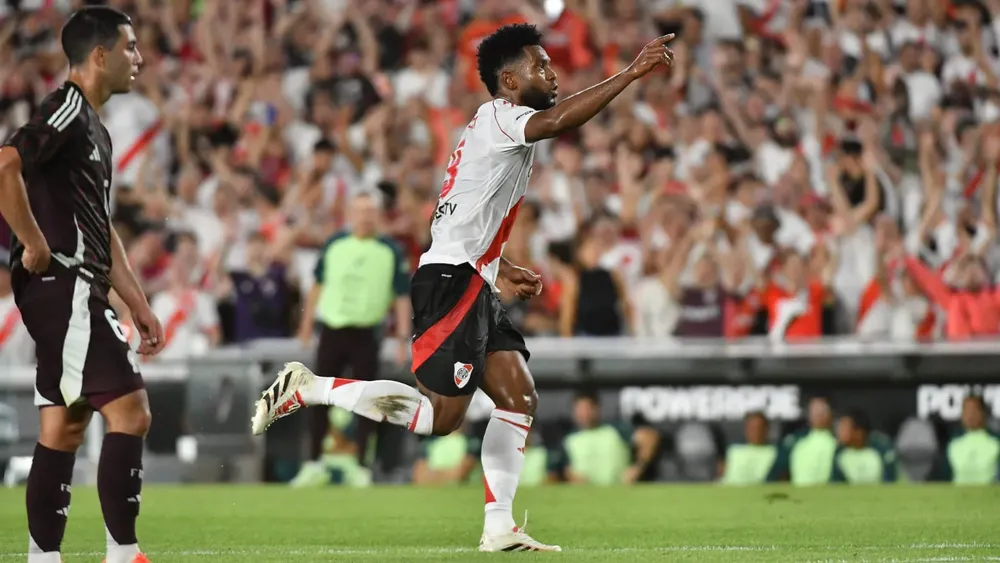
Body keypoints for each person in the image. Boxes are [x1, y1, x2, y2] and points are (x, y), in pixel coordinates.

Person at [251, 23, 675, 552]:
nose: (553, 72)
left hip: (470, 276)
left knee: (518, 396)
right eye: (540, 66)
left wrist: (499, 266)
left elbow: (458, 216)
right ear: (508, 80)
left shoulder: (494, 125)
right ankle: (308, 388)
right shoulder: (503, 116)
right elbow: (559, 121)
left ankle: (499, 527)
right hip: (453, 282)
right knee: (439, 418)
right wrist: (631, 72)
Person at [0, 7, 163, 563]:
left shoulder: (97, 129)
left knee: (65, 426)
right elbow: (4, 163)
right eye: (131, 47)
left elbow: (101, 225)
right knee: (131, 411)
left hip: (79, 284)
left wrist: (137, 301)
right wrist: (31, 240)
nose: (138, 58)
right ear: (100, 55)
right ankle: (125, 554)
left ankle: (42, 558)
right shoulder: (66, 108)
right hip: (64, 283)